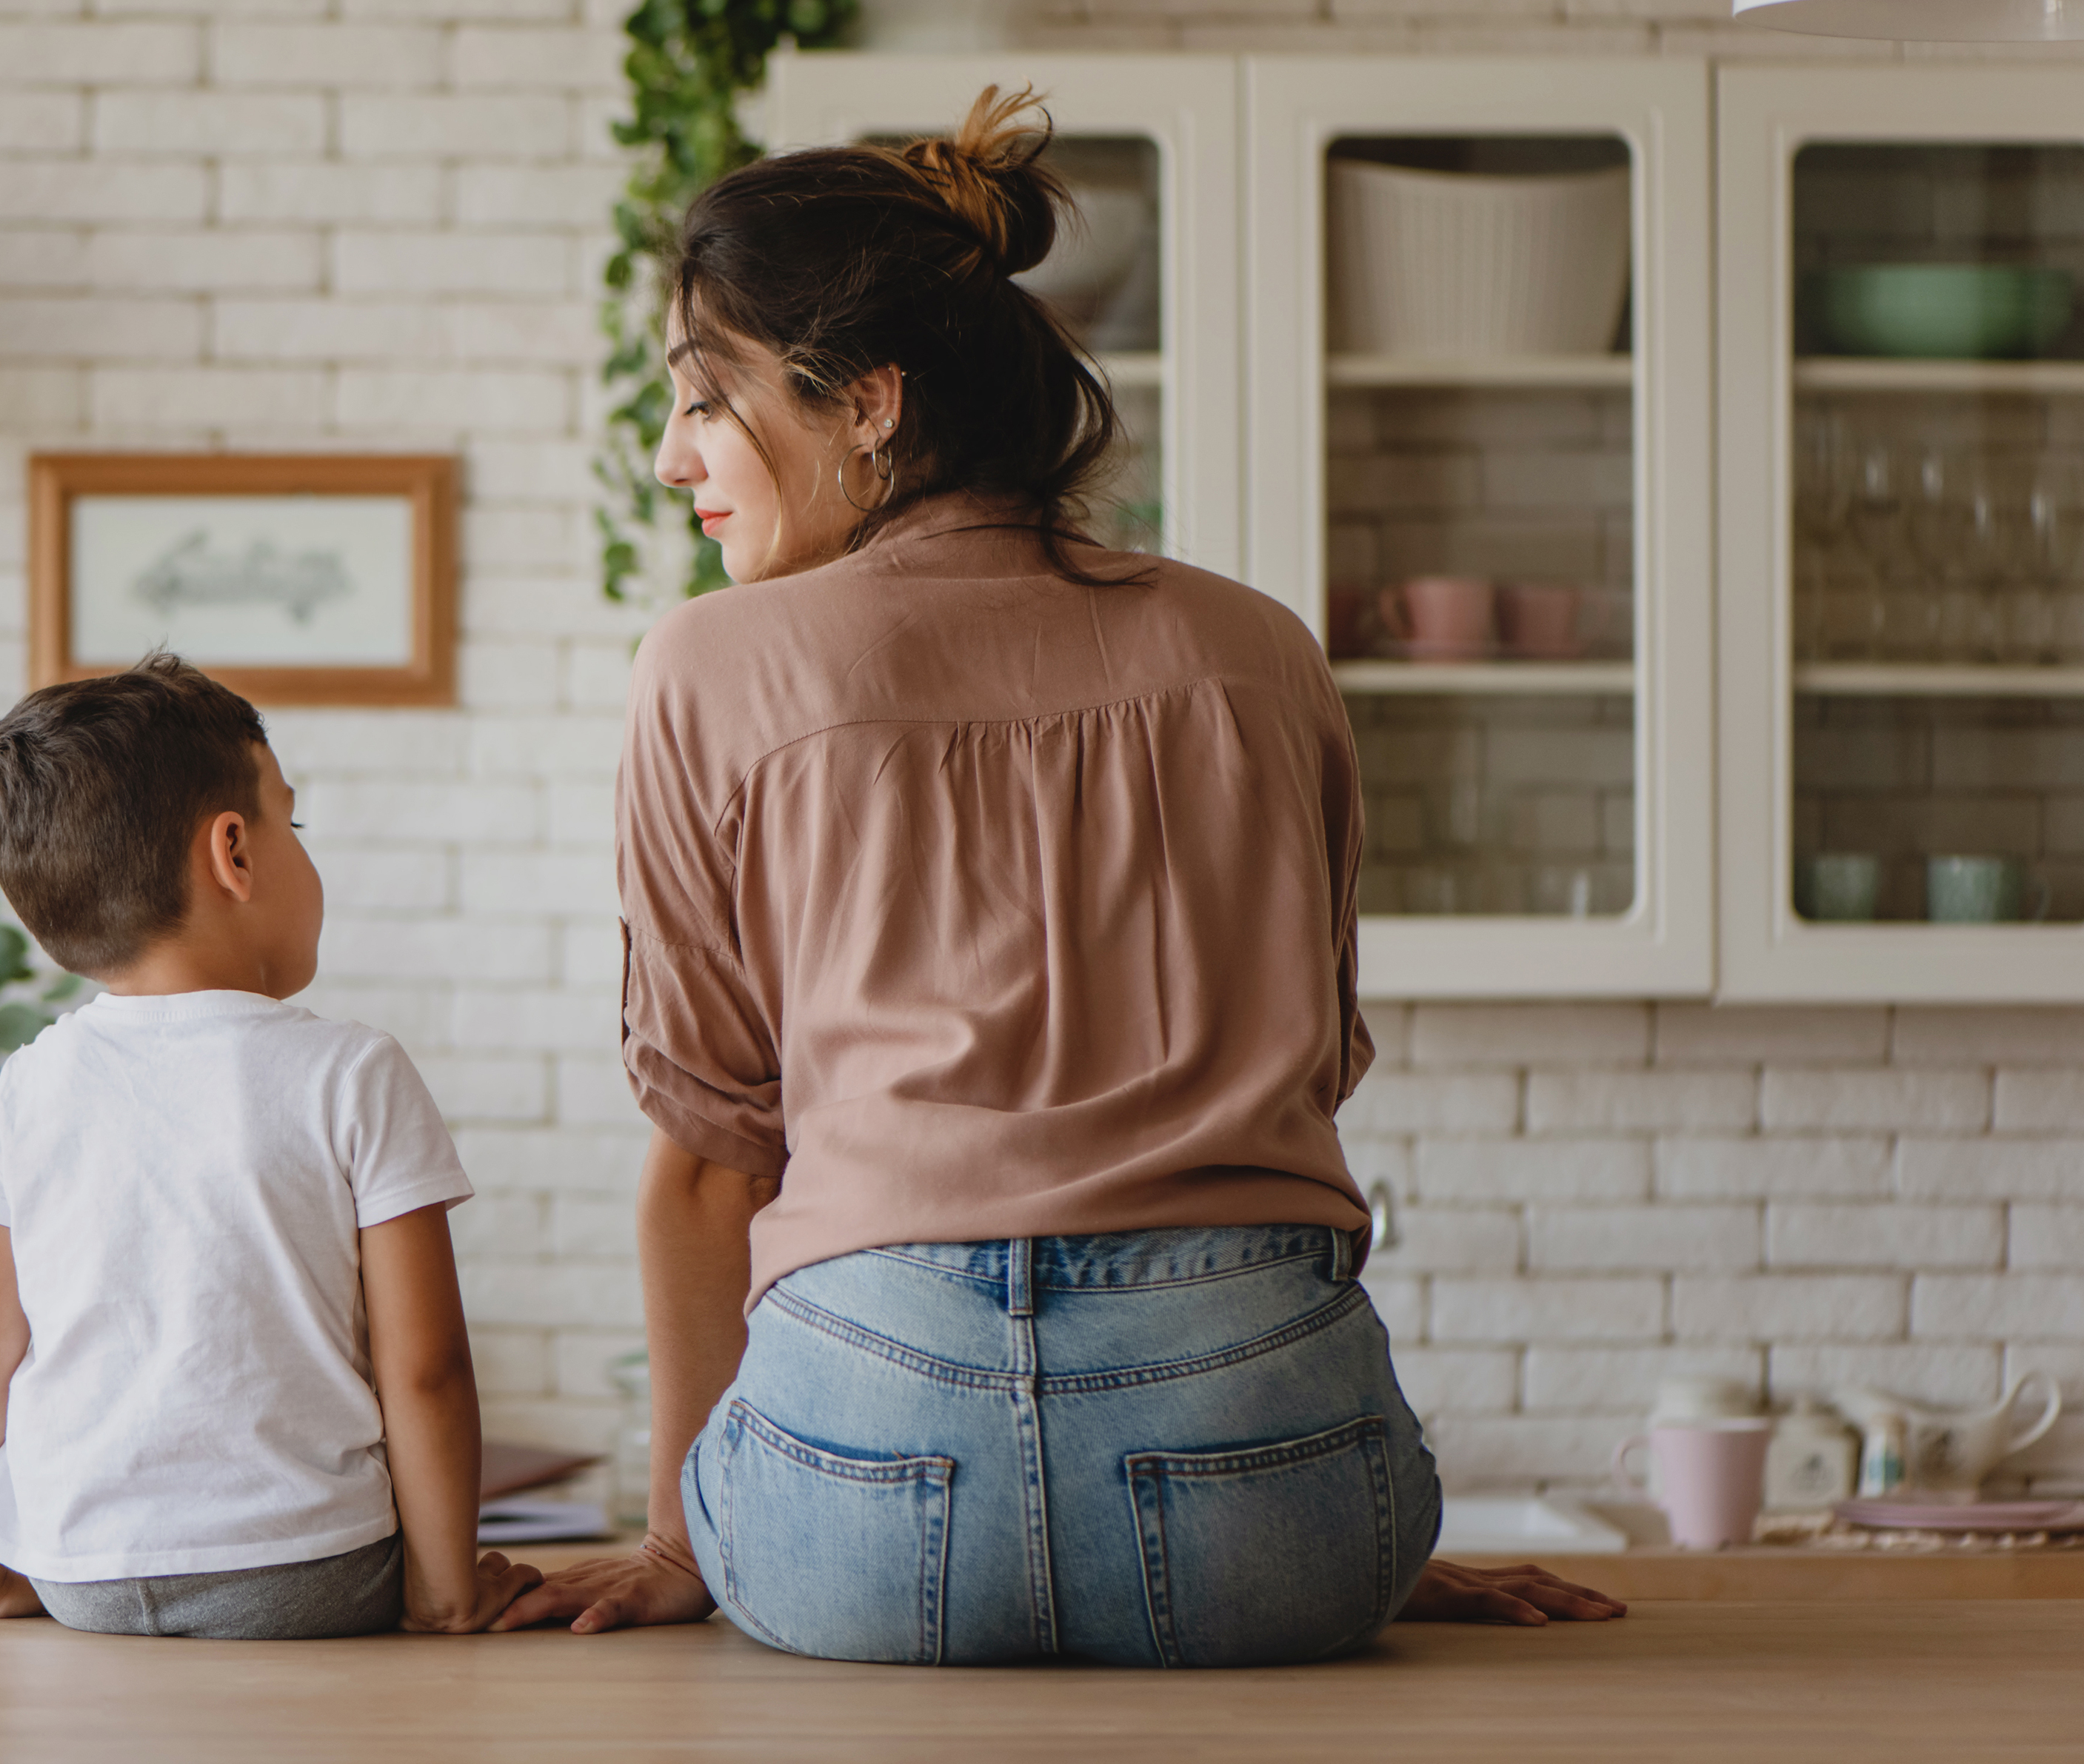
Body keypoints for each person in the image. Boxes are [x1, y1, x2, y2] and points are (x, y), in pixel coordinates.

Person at [496, 90, 1626, 1663]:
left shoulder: (707, 665)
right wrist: (1317, 1517)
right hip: (1275, 1495)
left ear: (868, 401)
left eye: (705, 396)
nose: (673, 447)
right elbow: (1307, 1077)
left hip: (861, 1506)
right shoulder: (1255, 649)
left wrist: (682, 1541)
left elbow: (707, 1158)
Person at [0, 657, 541, 1639]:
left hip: (85, 1572)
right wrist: (447, 1589)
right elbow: (424, 1366)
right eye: (292, 821)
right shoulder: (353, 1072)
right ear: (235, 854)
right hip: (306, 1572)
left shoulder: (34, 1082)